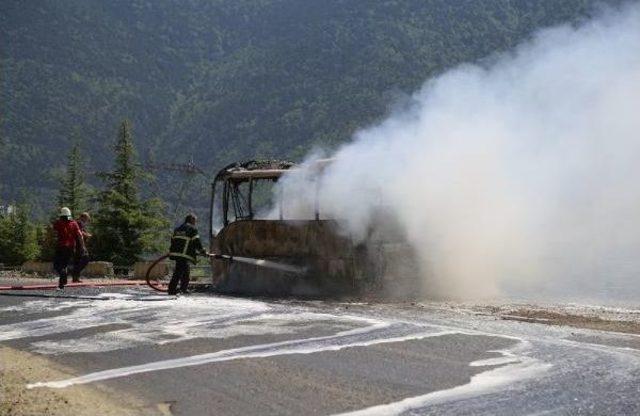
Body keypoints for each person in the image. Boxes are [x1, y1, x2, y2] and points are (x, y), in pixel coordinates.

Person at [168, 213, 207, 295]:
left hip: (176, 253)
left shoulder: (177, 229)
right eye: (195, 221)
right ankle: (171, 290)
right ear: (192, 220)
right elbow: (197, 242)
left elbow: (175, 241)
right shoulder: (192, 229)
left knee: (185, 271)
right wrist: (203, 251)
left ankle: (183, 289)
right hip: (183, 255)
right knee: (178, 272)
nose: (195, 223)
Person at [53, 207, 86, 289]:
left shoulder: (58, 223)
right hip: (71, 247)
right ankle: (62, 284)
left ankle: (63, 276)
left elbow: (52, 232)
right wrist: (82, 247)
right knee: (65, 264)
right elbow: (80, 236)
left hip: (60, 246)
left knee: (57, 265)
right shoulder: (74, 223)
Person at [71, 212, 91, 282]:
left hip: (77, 245)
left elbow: (81, 232)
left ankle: (75, 278)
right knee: (85, 259)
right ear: (83, 218)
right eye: (86, 219)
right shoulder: (78, 223)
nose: (86, 222)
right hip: (78, 245)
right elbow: (79, 234)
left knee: (77, 261)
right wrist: (86, 236)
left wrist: (86, 234)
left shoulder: (79, 224)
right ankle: (75, 274)